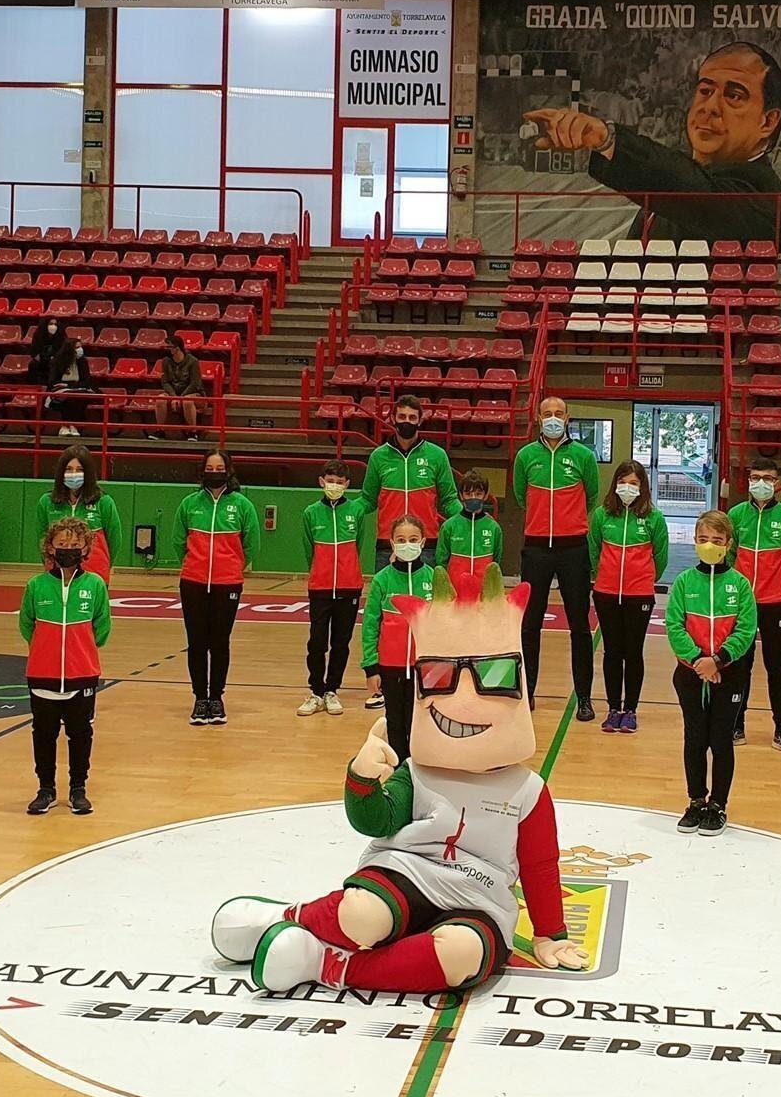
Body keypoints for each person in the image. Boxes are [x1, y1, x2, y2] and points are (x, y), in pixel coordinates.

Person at [212, 566, 587, 995]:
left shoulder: (527, 791)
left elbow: (540, 866)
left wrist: (550, 933)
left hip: (478, 898)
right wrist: (362, 778)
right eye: (438, 678)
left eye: (495, 678)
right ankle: (288, 917)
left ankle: (326, 964)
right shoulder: (418, 772)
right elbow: (375, 821)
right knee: (360, 914)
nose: (462, 699)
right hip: (407, 870)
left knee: (460, 955)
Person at [520, 42, 781, 251]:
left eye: (734, 96)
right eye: (705, 91)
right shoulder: (674, 182)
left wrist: (606, 138)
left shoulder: (767, 200)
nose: (710, 106)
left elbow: (696, 193)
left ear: (768, 121)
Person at [664, 509, 757, 837]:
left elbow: (746, 629)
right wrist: (697, 661)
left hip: (729, 674)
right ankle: (696, 801)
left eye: (717, 540)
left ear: (728, 544)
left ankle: (717, 804)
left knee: (720, 739)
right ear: (694, 541)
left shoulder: (740, 585)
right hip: (690, 674)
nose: (709, 545)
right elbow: (674, 625)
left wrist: (717, 661)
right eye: (703, 539)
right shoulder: (684, 582)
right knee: (694, 738)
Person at [511, 396, 601, 717]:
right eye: (547, 413)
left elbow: (592, 496)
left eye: (558, 413)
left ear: (567, 417)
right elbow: (521, 496)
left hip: (573, 550)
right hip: (536, 549)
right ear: (538, 417)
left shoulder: (583, 456)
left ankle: (584, 697)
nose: (553, 418)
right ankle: (528, 693)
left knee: (580, 626)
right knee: (529, 625)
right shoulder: (525, 456)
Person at [19, 516, 111, 816]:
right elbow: (26, 625)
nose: (68, 548)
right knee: (43, 734)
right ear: (50, 547)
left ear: (85, 548)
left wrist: (80, 650)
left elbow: (102, 628)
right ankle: (45, 789)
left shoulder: (95, 585)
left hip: (82, 674)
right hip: (42, 674)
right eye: (61, 543)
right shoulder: (36, 586)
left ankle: (78, 789)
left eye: (74, 544)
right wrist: (45, 649)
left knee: (80, 734)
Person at [172, 447, 260, 726]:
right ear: (202, 471)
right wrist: (194, 563)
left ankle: (216, 698)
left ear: (228, 471)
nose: (214, 473)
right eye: (209, 469)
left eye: (219, 469)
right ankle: (200, 699)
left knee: (220, 642)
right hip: (193, 582)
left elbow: (252, 543)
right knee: (197, 643)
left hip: (227, 583)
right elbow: (178, 541)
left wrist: (232, 566)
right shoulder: (189, 504)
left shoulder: (242, 505)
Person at [728, 459, 781, 755]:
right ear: (748, 480)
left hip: (776, 605)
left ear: (777, 483)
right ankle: (736, 724)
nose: (760, 483)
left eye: (767, 478)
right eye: (755, 477)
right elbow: (730, 556)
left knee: (777, 668)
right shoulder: (736, 515)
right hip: (743, 606)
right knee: (740, 666)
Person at [588, 460, 670, 734]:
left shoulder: (654, 518)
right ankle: (613, 709)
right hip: (606, 593)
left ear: (642, 486)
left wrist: (645, 579)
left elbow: (661, 557)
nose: (627, 487)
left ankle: (631, 710)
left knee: (633, 652)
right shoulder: (601, 515)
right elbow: (593, 550)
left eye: (633, 483)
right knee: (612, 652)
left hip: (639, 595)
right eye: (622, 482)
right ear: (615, 485)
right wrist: (602, 576)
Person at [360, 515, 435, 764]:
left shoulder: (434, 578)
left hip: (425, 668)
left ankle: (420, 767)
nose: (407, 544)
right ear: (392, 543)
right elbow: (370, 625)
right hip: (390, 667)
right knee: (395, 722)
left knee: (420, 721)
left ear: (423, 542)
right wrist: (371, 668)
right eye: (401, 540)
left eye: (413, 539)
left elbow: (443, 625)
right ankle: (399, 770)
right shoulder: (382, 580)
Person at [301, 461, 370, 718]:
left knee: (341, 642)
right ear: (322, 481)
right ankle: (316, 691)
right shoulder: (310, 513)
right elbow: (308, 549)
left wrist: (347, 569)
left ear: (347, 485)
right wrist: (320, 570)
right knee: (317, 641)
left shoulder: (356, 511)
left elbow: (358, 544)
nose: (335, 485)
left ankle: (332, 690)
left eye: (340, 482)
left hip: (349, 586)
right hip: (320, 587)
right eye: (331, 481)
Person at [361, 395, 457, 571]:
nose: (407, 421)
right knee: (387, 590)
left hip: (426, 545)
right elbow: (367, 500)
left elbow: (449, 500)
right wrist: (345, 509)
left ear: (420, 420)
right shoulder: (378, 457)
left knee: (426, 590)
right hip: (388, 545)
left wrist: (468, 516)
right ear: (393, 419)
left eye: (412, 417)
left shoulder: (437, 455)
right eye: (402, 417)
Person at [33, 444, 124, 583]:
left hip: (94, 576)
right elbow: (42, 540)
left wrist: (103, 566)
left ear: (88, 473)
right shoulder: (46, 502)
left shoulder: (104, 502)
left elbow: (115, 541)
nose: (73, 474)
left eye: (79, 470)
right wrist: (50, 565)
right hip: (56, 575)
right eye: (69, 469)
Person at [436, 470, 503, 604]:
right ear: (461, 495)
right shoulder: (449, 526)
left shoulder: (494, 528)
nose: (473, 497)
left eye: (478, 494)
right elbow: (441, 561)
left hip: (483, 596)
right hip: (455, 595)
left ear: (485, 495)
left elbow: (496, 561)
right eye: (468, 493)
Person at [157, 333, 209, 438]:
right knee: (160, 400)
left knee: (187, 401)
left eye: (168, 347)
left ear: (177, 348)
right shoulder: (166, 361)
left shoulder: (192, 361)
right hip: (174, 393)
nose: (166, 349)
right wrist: (173, 395)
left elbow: (195, 383)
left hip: (193, 393)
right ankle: (160, 430)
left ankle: (193, 432)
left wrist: (180, 397)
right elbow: (165, 382)